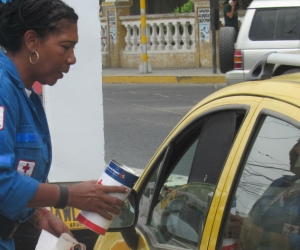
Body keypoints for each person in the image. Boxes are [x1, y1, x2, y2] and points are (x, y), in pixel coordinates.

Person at [0, 0, 129, 249]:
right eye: (65, 47)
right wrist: (69, 196)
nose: (72, 59)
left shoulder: (26, 96)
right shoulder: (2, 89)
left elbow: (18, 174)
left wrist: (40, 214)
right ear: (32, 41)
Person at [225, 140, 300, 250]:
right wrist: (238, 226)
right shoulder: (280, 183)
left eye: (298, 147)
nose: (292, 151)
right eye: (296, 144)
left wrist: (253, 233)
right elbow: (253, 218)